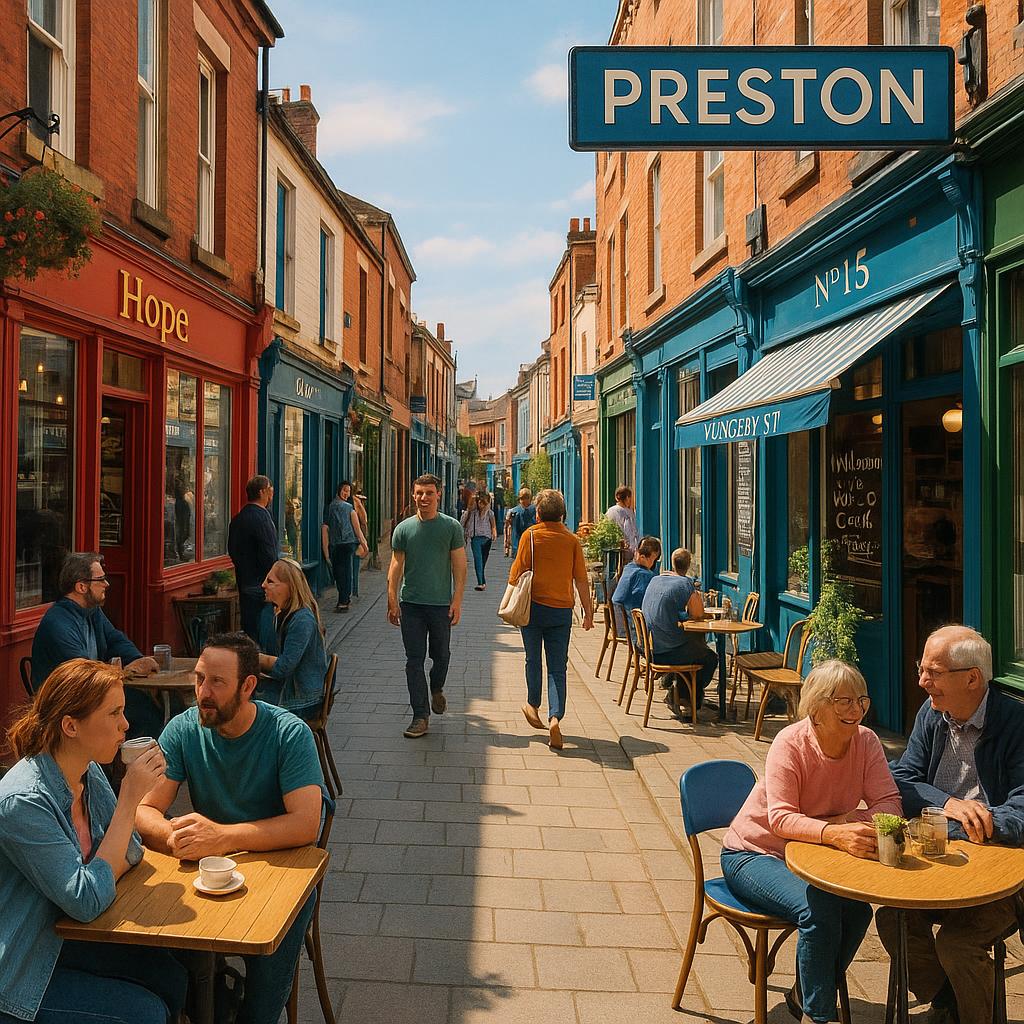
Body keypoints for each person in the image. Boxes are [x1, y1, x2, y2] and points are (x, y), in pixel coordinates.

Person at [136, 631, 324, 1024]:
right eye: (199, 678)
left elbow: (306, 824)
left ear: (248, 686)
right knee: (157, 936)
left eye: (217, 682)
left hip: (283, 871)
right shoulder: (184, 729)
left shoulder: (288, 733)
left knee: (268, 951)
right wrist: (173, 837)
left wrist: (223, 837)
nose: (203, 692)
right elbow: (144, 808)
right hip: (211, 872)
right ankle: (214, 999)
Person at [0, 659, 187, 1024]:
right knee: (145, 1014)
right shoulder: (23, 801)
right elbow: (85, 901)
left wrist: (97, 876)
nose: (126, 724)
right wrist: (130, 799)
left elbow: (131, 847)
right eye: (114, 713)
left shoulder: (86, 770)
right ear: (71, 725)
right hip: (23, 967)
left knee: (171, 976)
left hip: (66, 937)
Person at [721, 661, 903, 1024]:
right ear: (816, 707)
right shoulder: (790, 743)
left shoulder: (866, 742)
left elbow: (890, 804)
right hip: (756, 853)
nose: (856, 710)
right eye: (844, 701)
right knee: (819, 911)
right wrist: (834, 831)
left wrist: (846, 824)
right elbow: (780, 819)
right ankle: (818, 1016)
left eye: (861, 700)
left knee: (858, 911)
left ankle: (802, 994)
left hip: (816, 856)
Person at [878, 626, 1024, 1024]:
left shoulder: (1015, 722)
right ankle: (949, 1001)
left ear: (972, 678)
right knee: (892, 920)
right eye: (921, 669)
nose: (922, 682)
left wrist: (986, 822)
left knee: (957, 945)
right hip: (937, 863)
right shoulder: (932, 714)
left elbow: (1022, 809)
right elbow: (901, 778)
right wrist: (948, 805)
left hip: (999, 876)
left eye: (934, 672)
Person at [31, 552, 162, 740]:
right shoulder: (58, 623)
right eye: (100, 579)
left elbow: (115, 639)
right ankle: (119, 757)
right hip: (65, 704)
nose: (106, 584)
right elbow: (83, 672)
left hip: (91, 693)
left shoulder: (91, 611)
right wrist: (125, 671)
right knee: (144, 713)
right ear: (81, 587)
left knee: (151, 704)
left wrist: (138, 659)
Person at [508, 489, 595, 750]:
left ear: (537, 514)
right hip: (561, 611)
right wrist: (588, 612)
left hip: (533, 609)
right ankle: (555, 717)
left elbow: (515, 574)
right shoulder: (571, 541)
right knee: (558, 667)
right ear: (562, 515)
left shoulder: (530, 536)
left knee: (532, 659)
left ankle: (532, 705)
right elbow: (581, 579)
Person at [387, 474, 467, 739]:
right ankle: (420, 715)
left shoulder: (451, 527)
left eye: (429, 493)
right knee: (414, 660)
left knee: (442, 655)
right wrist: (392, 598)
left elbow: (459, 565)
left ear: (438, 494)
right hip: (411, 604)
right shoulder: (403, 529)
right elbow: (396, 565)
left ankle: (436, 688)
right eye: (419, 493)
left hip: (440, 605)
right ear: (413, 495)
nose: (424, 498)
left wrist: (457, 599)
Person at [640, 548, 718, 713]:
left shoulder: (656, 579)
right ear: (689, 565)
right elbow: (697, 614)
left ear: (672, 562)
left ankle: (679, 690)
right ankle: (685, 696)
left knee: (694, 645)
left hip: (649, 648)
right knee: (709, 657)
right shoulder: (684, 584)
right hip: (666, 651)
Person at [257, 558, 329, 720]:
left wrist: (256, 658)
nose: (263, 585)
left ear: (289, 586)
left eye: (270, 581)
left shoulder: (302, 620)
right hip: (287, 688)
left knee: (244, 711)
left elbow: (284, 667)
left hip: (302, 699)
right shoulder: (273, 612)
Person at [228, 474, 279, 641]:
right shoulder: (262, 518)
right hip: (262, 585)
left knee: (249, 630)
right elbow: (269, 554)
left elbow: (232, 551)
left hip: (244, 581)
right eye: (270, 489)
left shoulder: (238, 519)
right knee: (264, 631)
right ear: (262, 492)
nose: (272, 494)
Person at [321, 481, 368, 613]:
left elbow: (325, 529)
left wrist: (326, 552)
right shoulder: (348, 508)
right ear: (339, 490)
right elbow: (357, 528)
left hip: (337, 545)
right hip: (347, 544)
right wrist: (364, 544)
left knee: (340, 572)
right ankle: (344, 600)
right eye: (344, 490)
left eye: (348, 491)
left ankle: (343, 600)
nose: (346, 494)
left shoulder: (331, 507)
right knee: (346, 572)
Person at [611, 536, 662, 644]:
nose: (654, 563)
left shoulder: (629, 568)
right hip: (631, 629)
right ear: (643, 557)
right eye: (654, 559)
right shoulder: (643, 575)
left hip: (618, 624)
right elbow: (647, 604)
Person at [461, 490, 497, 591]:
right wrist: (469, 508)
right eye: (480, 503)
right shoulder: (472, 513)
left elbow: (493, 525)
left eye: (484, 503)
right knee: (478, 560)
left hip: (487, 539)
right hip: (475, 538)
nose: (481, 505)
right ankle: (480, 583)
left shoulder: (489, 513)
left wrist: (494, 533)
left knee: (483, 562)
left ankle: (482, 582)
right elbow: (462, 522)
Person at [605, 485, 640, 557]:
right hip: (628, 549)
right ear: (627, 498)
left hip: (614, 548)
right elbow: (631, 531)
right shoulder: (629, 513)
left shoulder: (610, 511)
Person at [350, 484, 370, 599]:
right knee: (353, 565)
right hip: (352, 539)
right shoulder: (355, 502)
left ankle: (353, 589)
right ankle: (354, 590)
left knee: (352, 565)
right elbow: (364, 520)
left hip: (353, 539)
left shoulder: (355, 502)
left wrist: (362, 540)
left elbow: (363, 521)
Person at [506, 487, 537, 557]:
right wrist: (507, 543)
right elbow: (509, 527)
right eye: (521, 498)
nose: (523, 501)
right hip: (517, 543)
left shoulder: (535, 511)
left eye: (526, 498)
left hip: (530, 542)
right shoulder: (514, 511)